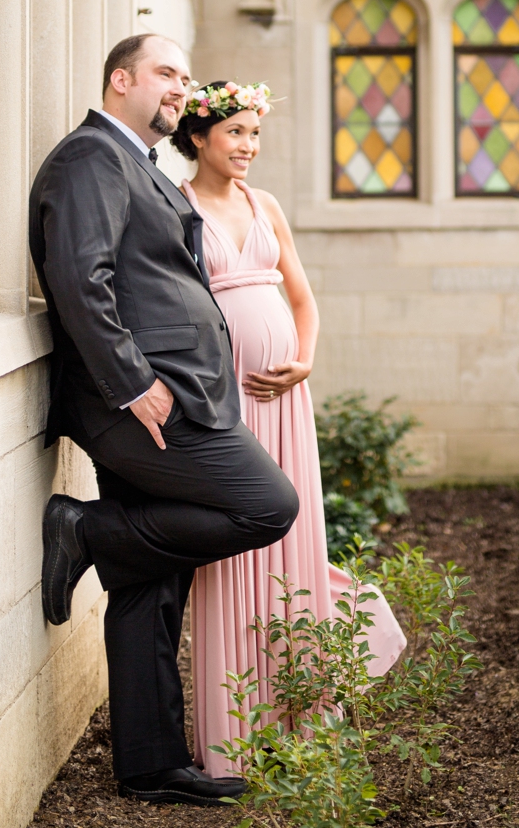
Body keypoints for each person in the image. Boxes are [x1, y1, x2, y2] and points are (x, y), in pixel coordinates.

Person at [30, 35, 301, 806]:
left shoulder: (136, 164)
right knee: (266, 505)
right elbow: (82, 277)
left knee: (152, 580)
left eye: (184, 76)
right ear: (121, 80)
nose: (180, 87)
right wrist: (131, 382)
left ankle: (151, 765)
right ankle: (85, 531)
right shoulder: (91, 158)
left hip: (171, 395)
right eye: (165, 73)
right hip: (141, 403)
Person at [173, 81, 405, 776]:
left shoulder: (264, 206)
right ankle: (235, 740)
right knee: (236, 549)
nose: (247, 147)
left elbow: (302, 300)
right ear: (199, 137)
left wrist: (304, 361)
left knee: (295, 541)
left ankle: (305, 718)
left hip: (285, 403)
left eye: (254, 134)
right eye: (234, 133)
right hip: (226, 402)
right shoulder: (176, 208)